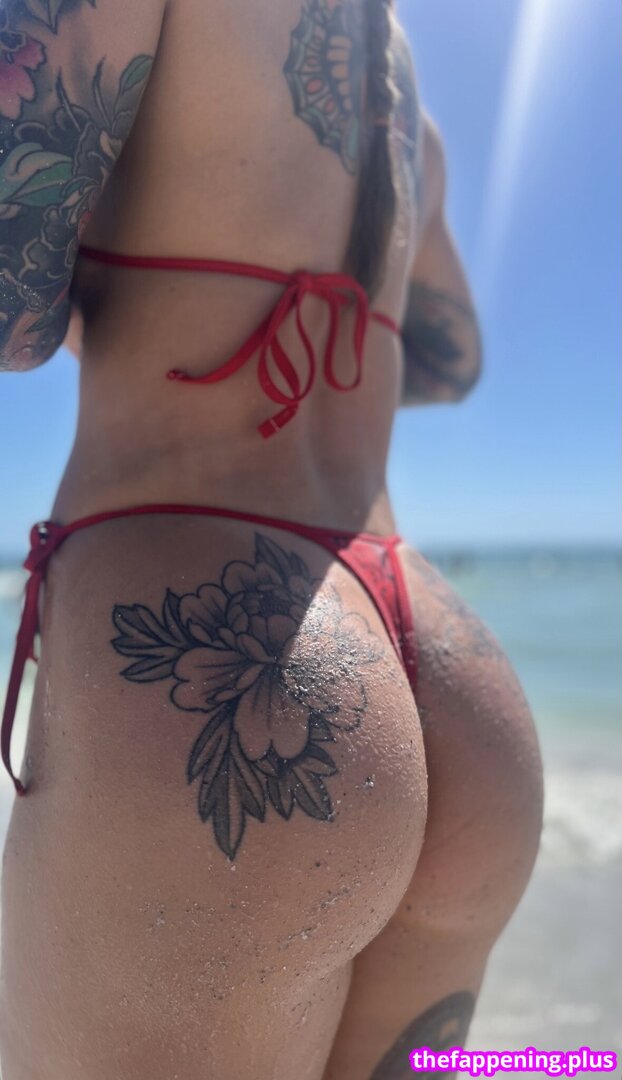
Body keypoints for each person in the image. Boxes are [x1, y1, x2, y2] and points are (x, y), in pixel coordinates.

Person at [0, 2, 543, 1077]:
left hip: (202, 596)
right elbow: (452, 358)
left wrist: (133, 291)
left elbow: (11, 305)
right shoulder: (411, 104)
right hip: (446, 672)